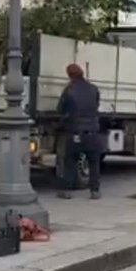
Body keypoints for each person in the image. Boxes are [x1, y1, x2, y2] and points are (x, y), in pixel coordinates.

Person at [57, 63, 104, 200]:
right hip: (92, 131)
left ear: (70, 76)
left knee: (70, 161)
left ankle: (67, 191)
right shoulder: (94, 89)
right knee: (94, 162)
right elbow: (96, 105)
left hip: (75, 132)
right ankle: (95, 191)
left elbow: (61, 109)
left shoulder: (69, 90)